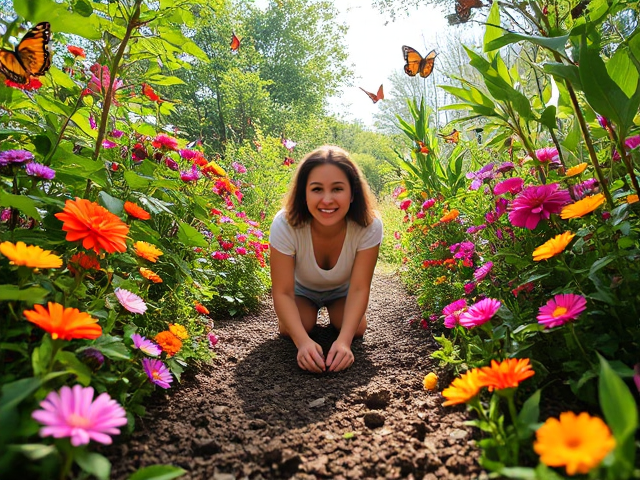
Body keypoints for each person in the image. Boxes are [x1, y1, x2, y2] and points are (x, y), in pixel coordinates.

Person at [269, 145, 383, 373]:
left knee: (357, 328)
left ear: (353, 193)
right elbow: (281, 291)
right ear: (304, 193)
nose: (327, 199)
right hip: (300, 292)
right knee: (299, 325)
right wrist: (302, 343)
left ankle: (339, 317)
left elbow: (360, 287)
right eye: (317, 189)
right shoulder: (285, 224)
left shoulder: (369, 225)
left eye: (338, 189)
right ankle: (300, 322)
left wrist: (344, 342)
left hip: (343, 291)